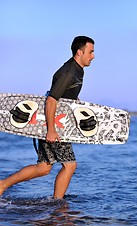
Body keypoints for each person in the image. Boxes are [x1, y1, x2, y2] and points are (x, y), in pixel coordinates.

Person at [0, 36, 95, 199]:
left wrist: (75, 104)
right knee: (70, 165)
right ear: (79, 52)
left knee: (43, 168)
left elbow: (64, 96)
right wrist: (51, 130)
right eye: (90, 52)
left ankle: (2, 185)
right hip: (53, 125)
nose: (93, 56)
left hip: (57, 123)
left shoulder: (78, 70)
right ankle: (58, 205)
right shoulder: (69, 72)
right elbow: (51, 100)